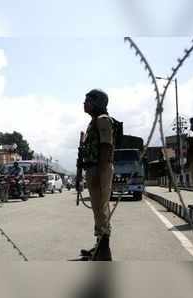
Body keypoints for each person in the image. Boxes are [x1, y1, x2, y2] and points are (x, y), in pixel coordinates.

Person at [80, 89, 114, 261]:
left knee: (101, 209)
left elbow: (106, 147)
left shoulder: (102, 120)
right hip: (94, 169)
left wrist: (101, 173)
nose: (84, 103)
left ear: (98, 102)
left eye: (88, 100)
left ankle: (104, 251)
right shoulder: (94, 122)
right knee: (98, 210)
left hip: (100, 169)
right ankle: (100, 245)